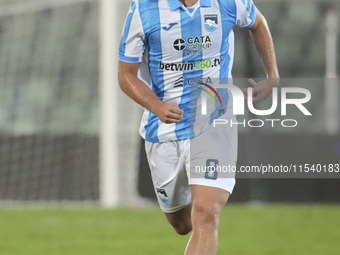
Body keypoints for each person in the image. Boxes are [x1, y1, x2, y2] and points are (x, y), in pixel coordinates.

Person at [118, 0, 279, 254]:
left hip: (214, 122)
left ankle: (206, 191)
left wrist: (272, 76)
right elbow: (125, 75)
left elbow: (257, 22)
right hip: (164, 131)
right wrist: (157, 106)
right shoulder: (143, 8)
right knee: (181, 224)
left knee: (206, 213)